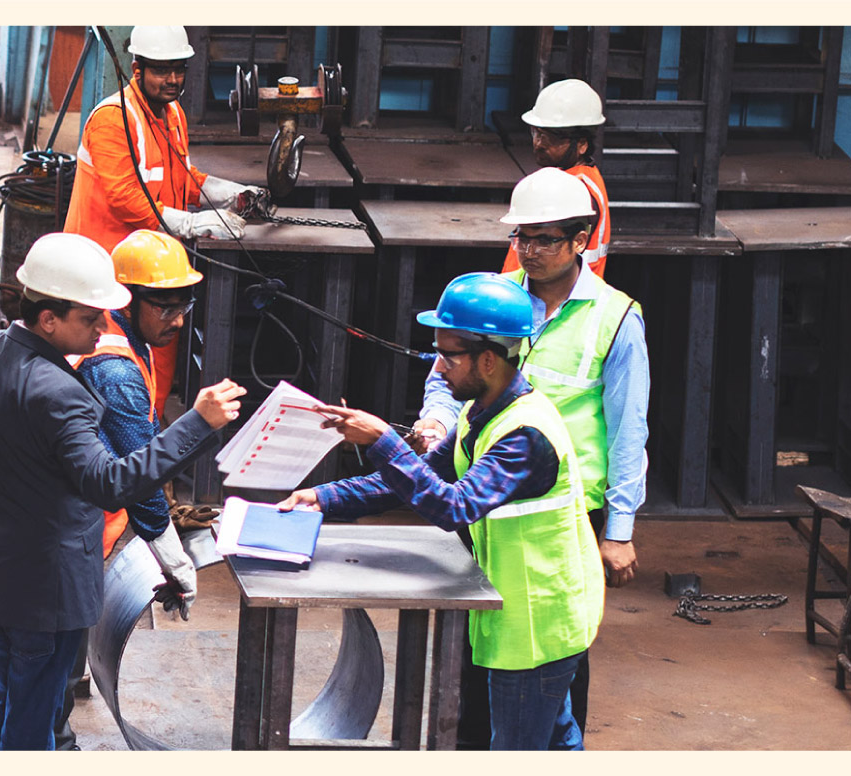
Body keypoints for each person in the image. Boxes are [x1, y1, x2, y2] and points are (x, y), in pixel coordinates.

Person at [0, 232, 246, 750]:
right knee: (33, 724)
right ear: (48, 317)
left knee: (8, 696)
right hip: (49, 589)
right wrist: (196, 423)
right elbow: (111, 484)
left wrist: (22, 474)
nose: (104, 327)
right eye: (90, 318)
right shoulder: (64, 393)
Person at [277, 273, 604, 750]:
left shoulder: (525, 435)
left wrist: (384, 442)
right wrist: (324, 498)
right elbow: (421, 476)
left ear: (488, 359)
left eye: (448, 355)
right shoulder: (482, 411)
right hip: (517, 613)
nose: (436, 366)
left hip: (536, 625)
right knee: (555, 741)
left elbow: (453, 506)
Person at [412, 167, 649, 747]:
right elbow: (446, 372)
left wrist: (618, 528)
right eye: (522, 238)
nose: (530, 252)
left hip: (564, 515)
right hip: (484, 503)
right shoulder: (497, 295)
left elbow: (627, 429)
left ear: (581, 241)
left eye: (545, 239)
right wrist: (437, 423)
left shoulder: (614, 317)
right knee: (479, 662)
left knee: (554, 663)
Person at [52, 229, 206, 750]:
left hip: (77, 520)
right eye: (166, 307)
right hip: (75, 530)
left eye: (184, 304)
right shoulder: (116, 369)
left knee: (64, 638)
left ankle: (67, 684)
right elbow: (139, 473)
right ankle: (56, 735)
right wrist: (172, 555)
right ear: (129, 299)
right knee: (51, 654)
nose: (178, 319)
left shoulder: (117, 338)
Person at [64, 24, 265, 417]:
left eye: (178, 69)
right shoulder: (113, 120)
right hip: (105, 275)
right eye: (161, 70)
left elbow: (177, 178)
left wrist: (228, 192)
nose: (172, 80)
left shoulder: (171, 114)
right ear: (137, 69)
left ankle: (148, 453)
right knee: (112, 376)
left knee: (156, 369)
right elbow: (126, 198)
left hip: (155, 275)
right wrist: (194, 224)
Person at [500, 78, 611, 278]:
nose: (540, 144)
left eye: (552, 138)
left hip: (556, 304)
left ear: (582, 144)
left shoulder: (574, 191)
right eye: (537, 133)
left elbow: (544, 264)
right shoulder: (577, 179)